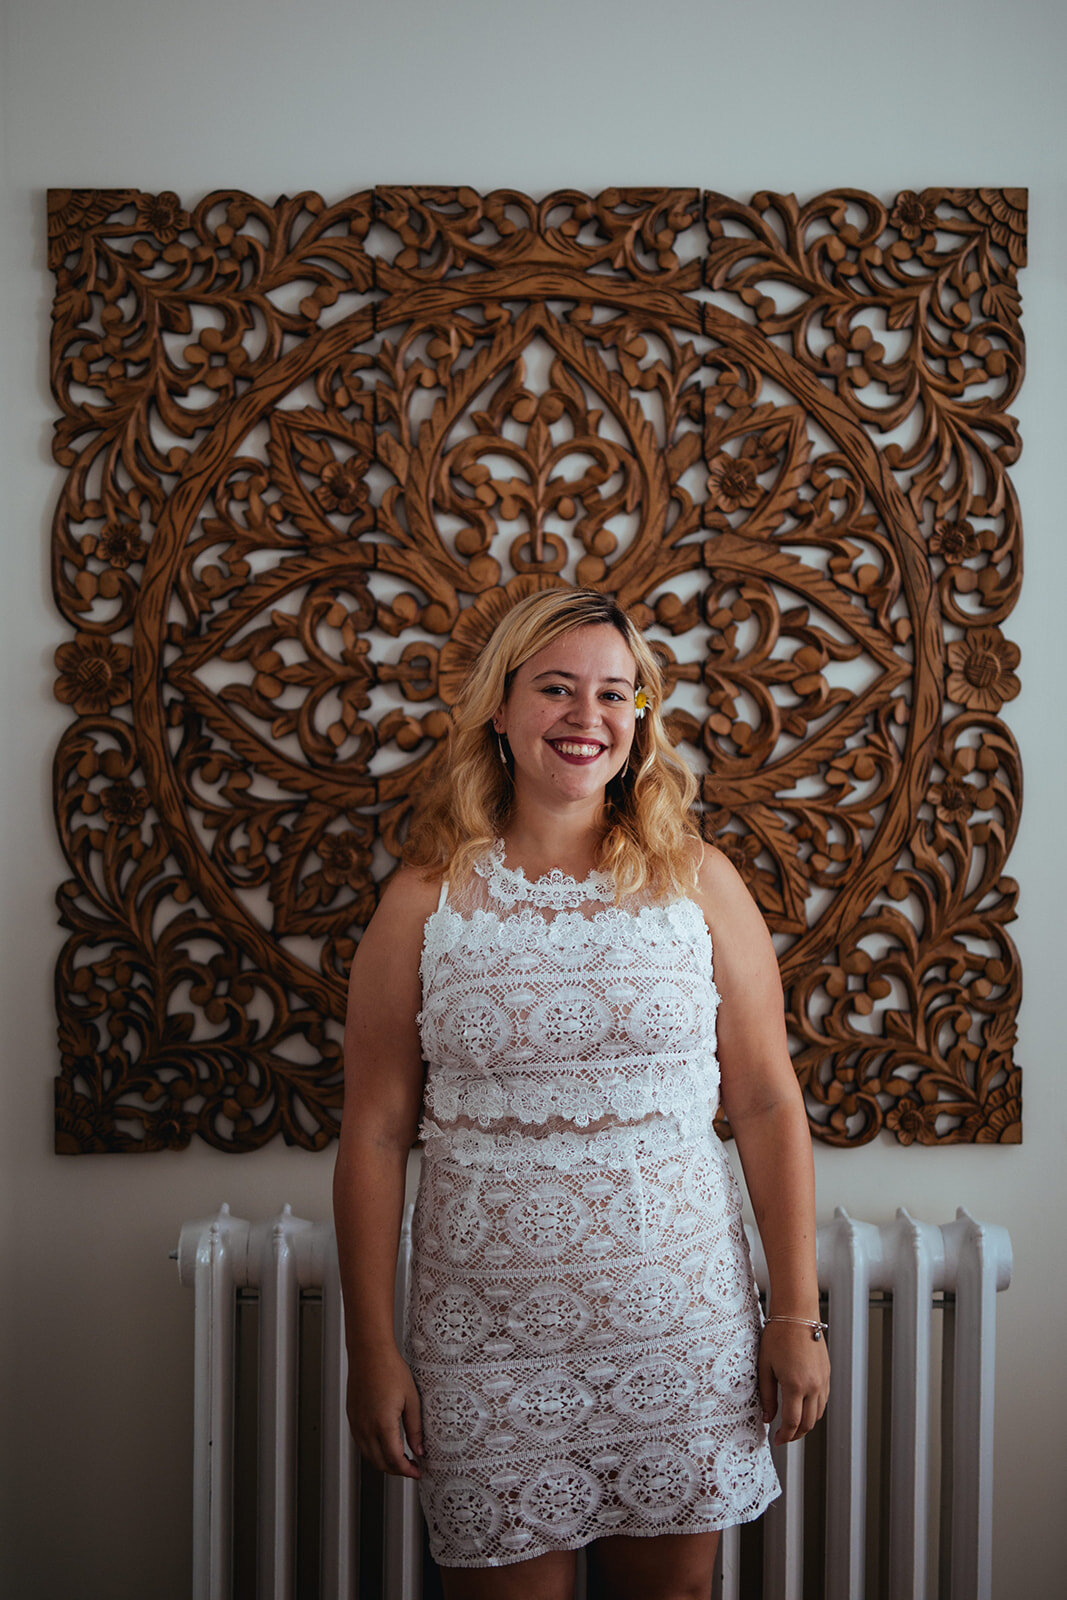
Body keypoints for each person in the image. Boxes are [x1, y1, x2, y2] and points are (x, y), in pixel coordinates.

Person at [333, 587, 829, 1600]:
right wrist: (370, 1348)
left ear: (640, 717)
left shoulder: (697, 881)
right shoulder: (423, 896)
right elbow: (375, 1132)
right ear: (500, 709)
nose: (586, 716)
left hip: (677, 1327)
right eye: (555, 688)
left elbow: (769, 1104)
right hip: (485, 1342)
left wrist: (797, 1314)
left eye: (614, 693)